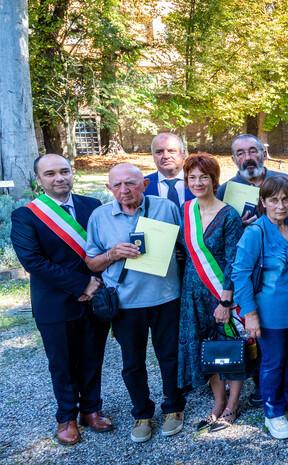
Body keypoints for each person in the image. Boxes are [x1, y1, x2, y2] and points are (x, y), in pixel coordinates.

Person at [10, 154, 110, 445]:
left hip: (95, 299)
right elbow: (33, 261)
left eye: (64, 171)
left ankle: (91, 409)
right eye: (50, 173)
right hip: (55, 302)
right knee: (62, 363)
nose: (59, 178)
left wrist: (96, 284)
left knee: (93, 356)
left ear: (72, 172)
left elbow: (103, 246)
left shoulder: (92, 206)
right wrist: (82, 283)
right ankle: (66, 417)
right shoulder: (26, 215)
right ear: (39, 180)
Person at [84, 163, 185, 442]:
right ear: (109, 188)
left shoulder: (166, 208)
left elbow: (185, 245)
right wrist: (113, 253)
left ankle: (173, 407)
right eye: (117, 185)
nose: (124, 190)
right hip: (127, 303)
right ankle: (142, 413)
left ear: (145, 184)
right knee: (132, 362)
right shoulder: (99, 216)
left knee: (169, 356)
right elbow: (91, 261)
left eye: (130, 183)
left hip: (166, 297)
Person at [230, 176, 288, 440]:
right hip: (269, 313)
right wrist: (250, 315)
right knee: (272, 363)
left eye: (286, 199)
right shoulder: (255, 232)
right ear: (263, 202)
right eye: (273, 200)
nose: (281, 205)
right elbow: (240, 273)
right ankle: (273, 412)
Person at [175, 154, 245, 432]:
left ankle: (233, 404)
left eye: (203, 176)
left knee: (229, 346)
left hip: (221, 292)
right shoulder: (185, 210)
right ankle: (218, 401)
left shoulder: (229, 215)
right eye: (192, 177)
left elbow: (233, 260)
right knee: (207, 348)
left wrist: (225, 300)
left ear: (214, 179)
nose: (197, 182)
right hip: (192, 293)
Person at [216, 134, 288, 225]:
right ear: (234, 160)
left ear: (264, 154)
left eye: (253, 151)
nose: (248, 157)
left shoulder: (286, 181)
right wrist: (236, 226)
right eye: (240, 153)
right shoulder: (224, 191)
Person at [144, 133, 194, 208]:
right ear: (153, 156)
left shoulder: (201, 183)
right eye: (159, 152)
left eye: (171, 151)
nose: (166, 156)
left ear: (183, 154)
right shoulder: (142, 186)